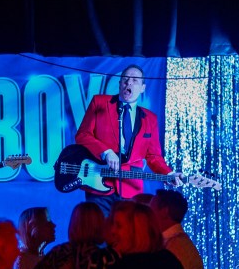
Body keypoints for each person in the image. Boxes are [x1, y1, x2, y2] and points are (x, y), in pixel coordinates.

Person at [74, 63, 180, 215]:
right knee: (100, 229)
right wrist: (106, 152)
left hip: (131, 188)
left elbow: (153, 156)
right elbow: (83, 135)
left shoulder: (150, 118)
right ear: (120, 84)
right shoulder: (100, 102)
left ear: (142, 88)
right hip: (99, 184)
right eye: (125, 79)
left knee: (128, 229)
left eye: (134, 80)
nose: (129, 82)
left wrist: (169, 174)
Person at [149, 189, 208, 269]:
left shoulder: (177, 247)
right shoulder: (174, 243)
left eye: (150, 209)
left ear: (164, 211)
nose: (147, 214)